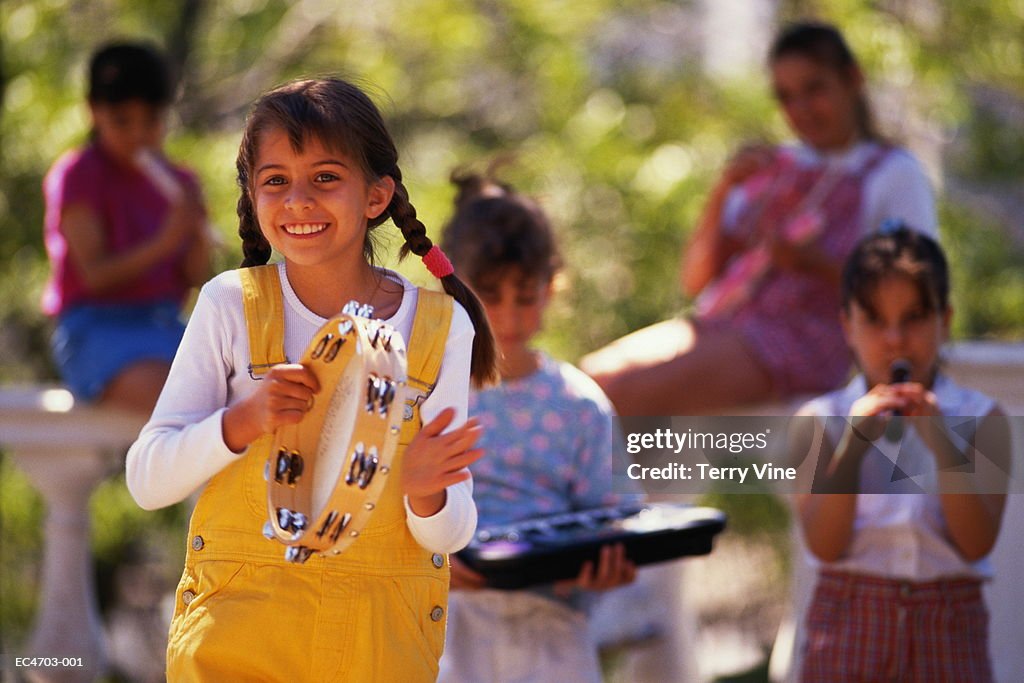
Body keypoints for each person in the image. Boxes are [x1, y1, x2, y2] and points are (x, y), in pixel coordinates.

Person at [125, 77, 498, 681]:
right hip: (237, 645)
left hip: (380, 648)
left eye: (325, 177)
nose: (298, 200)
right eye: (276, 181)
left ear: (377, 196)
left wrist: (424, 489)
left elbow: (452, 532)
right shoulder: (229, 307)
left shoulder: (439, 327)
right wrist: (242, 421)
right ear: (252, 195)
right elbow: (147, 479)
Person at [581, 21, 938, 416]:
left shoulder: (892, 171)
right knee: (588, 380)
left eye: (814, 89)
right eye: (786, 97)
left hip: (803, 344)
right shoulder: (775, 166)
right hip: (720, 325)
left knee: (617, 396)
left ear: (851, 79)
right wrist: (722, 192)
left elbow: (915, 288)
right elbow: (695, 281)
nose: (800, 110)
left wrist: (811, 263)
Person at [434, 171, 639, 683]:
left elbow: (612, 517)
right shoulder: (428, 389)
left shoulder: (580, 404)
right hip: (444, 623)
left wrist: (607, 562)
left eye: (525, 296)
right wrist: (429, 561)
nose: (506, 314)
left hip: (553, 628)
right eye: (489, 293)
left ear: (552, 287)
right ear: (452, 286)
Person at [793, 225, 1009, 682]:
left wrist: (941, 444)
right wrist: (852, 449)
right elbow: (824, 546)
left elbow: (977, 543)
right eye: (874, 318)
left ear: (944, 320)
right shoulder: (821, 420)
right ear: (846, 325)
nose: (894, 339)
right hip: (849, 624)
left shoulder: (982, 418)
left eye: (913, 317)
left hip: (949, 628)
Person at [42, 41, 211, 412]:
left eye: (150, 121)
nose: (137, 135)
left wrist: (197, 231)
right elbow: (94, 276)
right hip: (95, 329)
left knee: (236, 382)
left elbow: (199, 276)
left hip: (167, 323)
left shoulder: (180, 181)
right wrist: (165, 241)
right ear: (93, 111)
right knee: (181, 399)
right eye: (122, 121)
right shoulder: (79, 175)